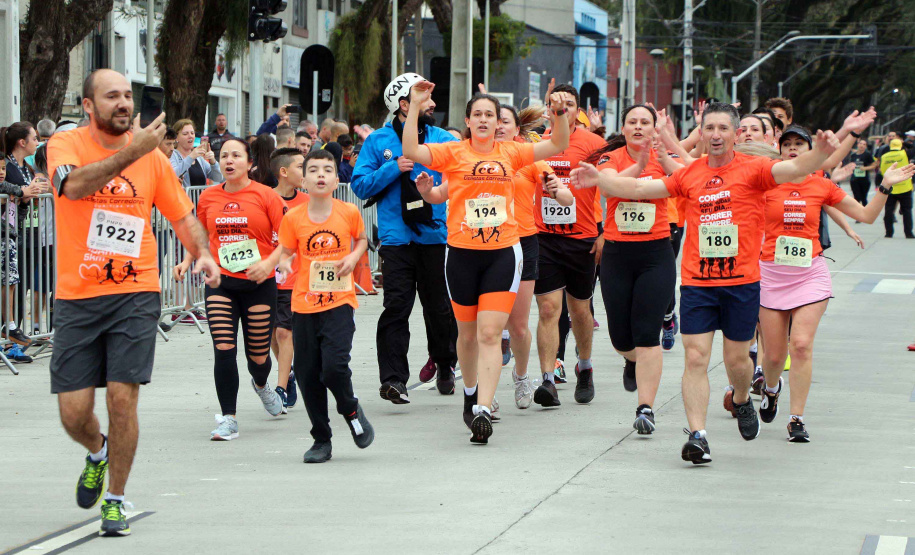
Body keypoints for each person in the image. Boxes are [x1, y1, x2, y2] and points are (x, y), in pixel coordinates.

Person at [571, 102, 871, 464]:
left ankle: (743, 399)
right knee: (695, 357)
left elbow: (796, 166)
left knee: (738, 361)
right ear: (703, 130)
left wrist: (824, 150)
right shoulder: (690, 173)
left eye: (723, 129)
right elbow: (642, 187)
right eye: (709, 128)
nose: (715, 135)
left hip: (742, 282)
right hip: (698, 282)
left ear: (734, 134)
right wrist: (600, 180)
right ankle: (697, 435)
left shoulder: (756, 169)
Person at [46, 69, 219, 536]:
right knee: (73, 413)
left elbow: (182, 216)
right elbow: (74, 187)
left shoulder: (153, 161)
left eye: (128, 95)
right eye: (112, 97)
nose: (124, 103)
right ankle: (97, 451)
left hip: (135, 292)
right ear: (88, 106)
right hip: (77, 296)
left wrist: (202, 252)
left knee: (123, 399)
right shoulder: (65, 146)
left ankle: (116, 500)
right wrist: (131, 152)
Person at [406, 83, 571, 443]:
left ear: (499, 123)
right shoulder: (452, 152)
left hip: (503, 253)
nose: (483, 120)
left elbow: (557, 144)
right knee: (466, 336)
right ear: (467, 120)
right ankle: (470, 393)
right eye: (477, 114)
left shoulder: (512, 153)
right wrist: (416, 106)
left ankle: (482, 407)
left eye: (489, 115)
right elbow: (411, 150)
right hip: (461, 254)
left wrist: (559, 114)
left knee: (490, 333)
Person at [758, 125, 914, 442]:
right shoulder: (764, 183)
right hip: (770, 275)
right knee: (774, 357)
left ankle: (796, 418)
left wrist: (885, 186)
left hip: (809, 274)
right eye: (786, 144)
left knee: (800, 345)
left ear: (809, 151)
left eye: (799, 145)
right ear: (779, 150)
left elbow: (868, 216)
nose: (792, 149)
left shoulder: (821, 186)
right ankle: (772, 389)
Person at [351, 72, 459, 402]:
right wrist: (392, 168)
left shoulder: (441, 137)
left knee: (438, 308)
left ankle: (445, 364)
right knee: (396, 306)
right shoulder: (377, 141)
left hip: (433, 236)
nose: (434, 104)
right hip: (396, 240)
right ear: (404, 104)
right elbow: (359, 185)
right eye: (425, 98)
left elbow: (461, 174)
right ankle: (394, 379)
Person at [174, 137, 288, 440]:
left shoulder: (267, 196)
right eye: (224, 155)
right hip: (220, 283)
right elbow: (201, 235)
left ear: (249, 163)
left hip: (259, 284)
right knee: (224, 348)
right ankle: (228, 418)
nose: (229, 160)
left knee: (258, 357)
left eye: (236, 155)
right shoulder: (209, 197)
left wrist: (269, 264)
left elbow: (288, 239)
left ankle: (262, 385)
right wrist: (187, 261)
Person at [585, 104, 682, 434]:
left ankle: (646, 408)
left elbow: (684, 175)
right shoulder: (611, 157)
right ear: (623, 128)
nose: (638, 127)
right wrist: (638, 166)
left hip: (656, 254)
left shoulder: (663, 158)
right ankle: (631, 360)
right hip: (617, 255)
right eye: (632, 122)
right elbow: (609, 185)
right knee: (621, 337)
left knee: (647, 334)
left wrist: (661, 152)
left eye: (646, 122)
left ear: (655, 129)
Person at [276, 149, 374, 462]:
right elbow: (285, 252)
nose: (320, 175)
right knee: (307, 374)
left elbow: (361, 240)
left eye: (327, 170)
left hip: (340, 302)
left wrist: (353, 256)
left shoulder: (348, 212)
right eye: (314, 170)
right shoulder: (293, 218)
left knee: (333, 368)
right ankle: (321, 439)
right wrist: (281, 264)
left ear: (336, 179)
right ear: (302, 180)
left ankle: (351, 408)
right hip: (304, 306)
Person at [531, 84, 607, 409]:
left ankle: (585, 366)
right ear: (547, 109)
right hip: (544, 237)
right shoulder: (536, 144)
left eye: (569, 104)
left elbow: (613, 186)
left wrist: (606, 232)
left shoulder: (594, 144)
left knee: (579, 311)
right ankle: (548, 379)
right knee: (549, 308)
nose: (562, 108)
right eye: (555, 103)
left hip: (582, 239)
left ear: (579, 111)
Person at [495, 104, 571, 409]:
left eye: (504, 122)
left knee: (518, 326)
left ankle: (522, 375)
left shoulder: (528, 157)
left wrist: (557, 188)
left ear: (516, 129)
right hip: (485, 244)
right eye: (493, 120)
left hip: (524, 242)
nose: (498, 126)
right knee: (482, 325)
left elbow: (565, 197)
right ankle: (482, 392)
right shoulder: (473, 156)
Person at [269, 147, 309, 409]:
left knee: (285, 333)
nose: (305, 172)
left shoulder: (307, 201)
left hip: (293, 279)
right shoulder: (264, 198)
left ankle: (281, 388)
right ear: (284, 172)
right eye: (300, 166)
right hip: (264, 278)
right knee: (271, 336)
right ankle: (290, 372)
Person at [2, 122, 45, 349]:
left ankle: (13, 340)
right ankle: (8, 337)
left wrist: (27, 198)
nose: (37, 143)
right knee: (9, 282)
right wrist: (21, 192)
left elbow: (20, 204)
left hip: (20, 232)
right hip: (7, 234)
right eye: (34, 138)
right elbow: (5, 189)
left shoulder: (24, 166)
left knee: (18, 283)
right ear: (22, 142)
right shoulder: (7, 165)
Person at [170, 119, 223, 188]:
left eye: (192, 133)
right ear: (176, 138)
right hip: (184, 198)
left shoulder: (199, 158)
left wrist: (213, 162)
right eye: (185, 134)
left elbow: (218, 178)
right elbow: (173, 175)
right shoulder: (172, 155)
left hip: (201, 198)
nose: (190, 136)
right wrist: (190, 157)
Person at [879, 138, 914, 238]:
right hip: (905, 187)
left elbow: (882, 171)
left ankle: (888, 233)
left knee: (889, 210)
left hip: (890, 187)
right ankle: (908, 233)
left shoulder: (884, 156)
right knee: (907, 210)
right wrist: (906, 143)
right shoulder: (905, 154)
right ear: (901, 146)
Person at [847, 138, 877, 208]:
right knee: (856, 198)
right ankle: (858, 216)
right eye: (861, 143)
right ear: (858, 145)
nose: (862, 145)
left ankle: (865, 215)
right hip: (854, 180)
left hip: (864, 180)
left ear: (866, 147)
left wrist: (865, 168)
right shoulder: (853, 155)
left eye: (864, 144)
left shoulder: (867, 155)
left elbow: (874, 165)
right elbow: (850, 165)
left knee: (863, 198)